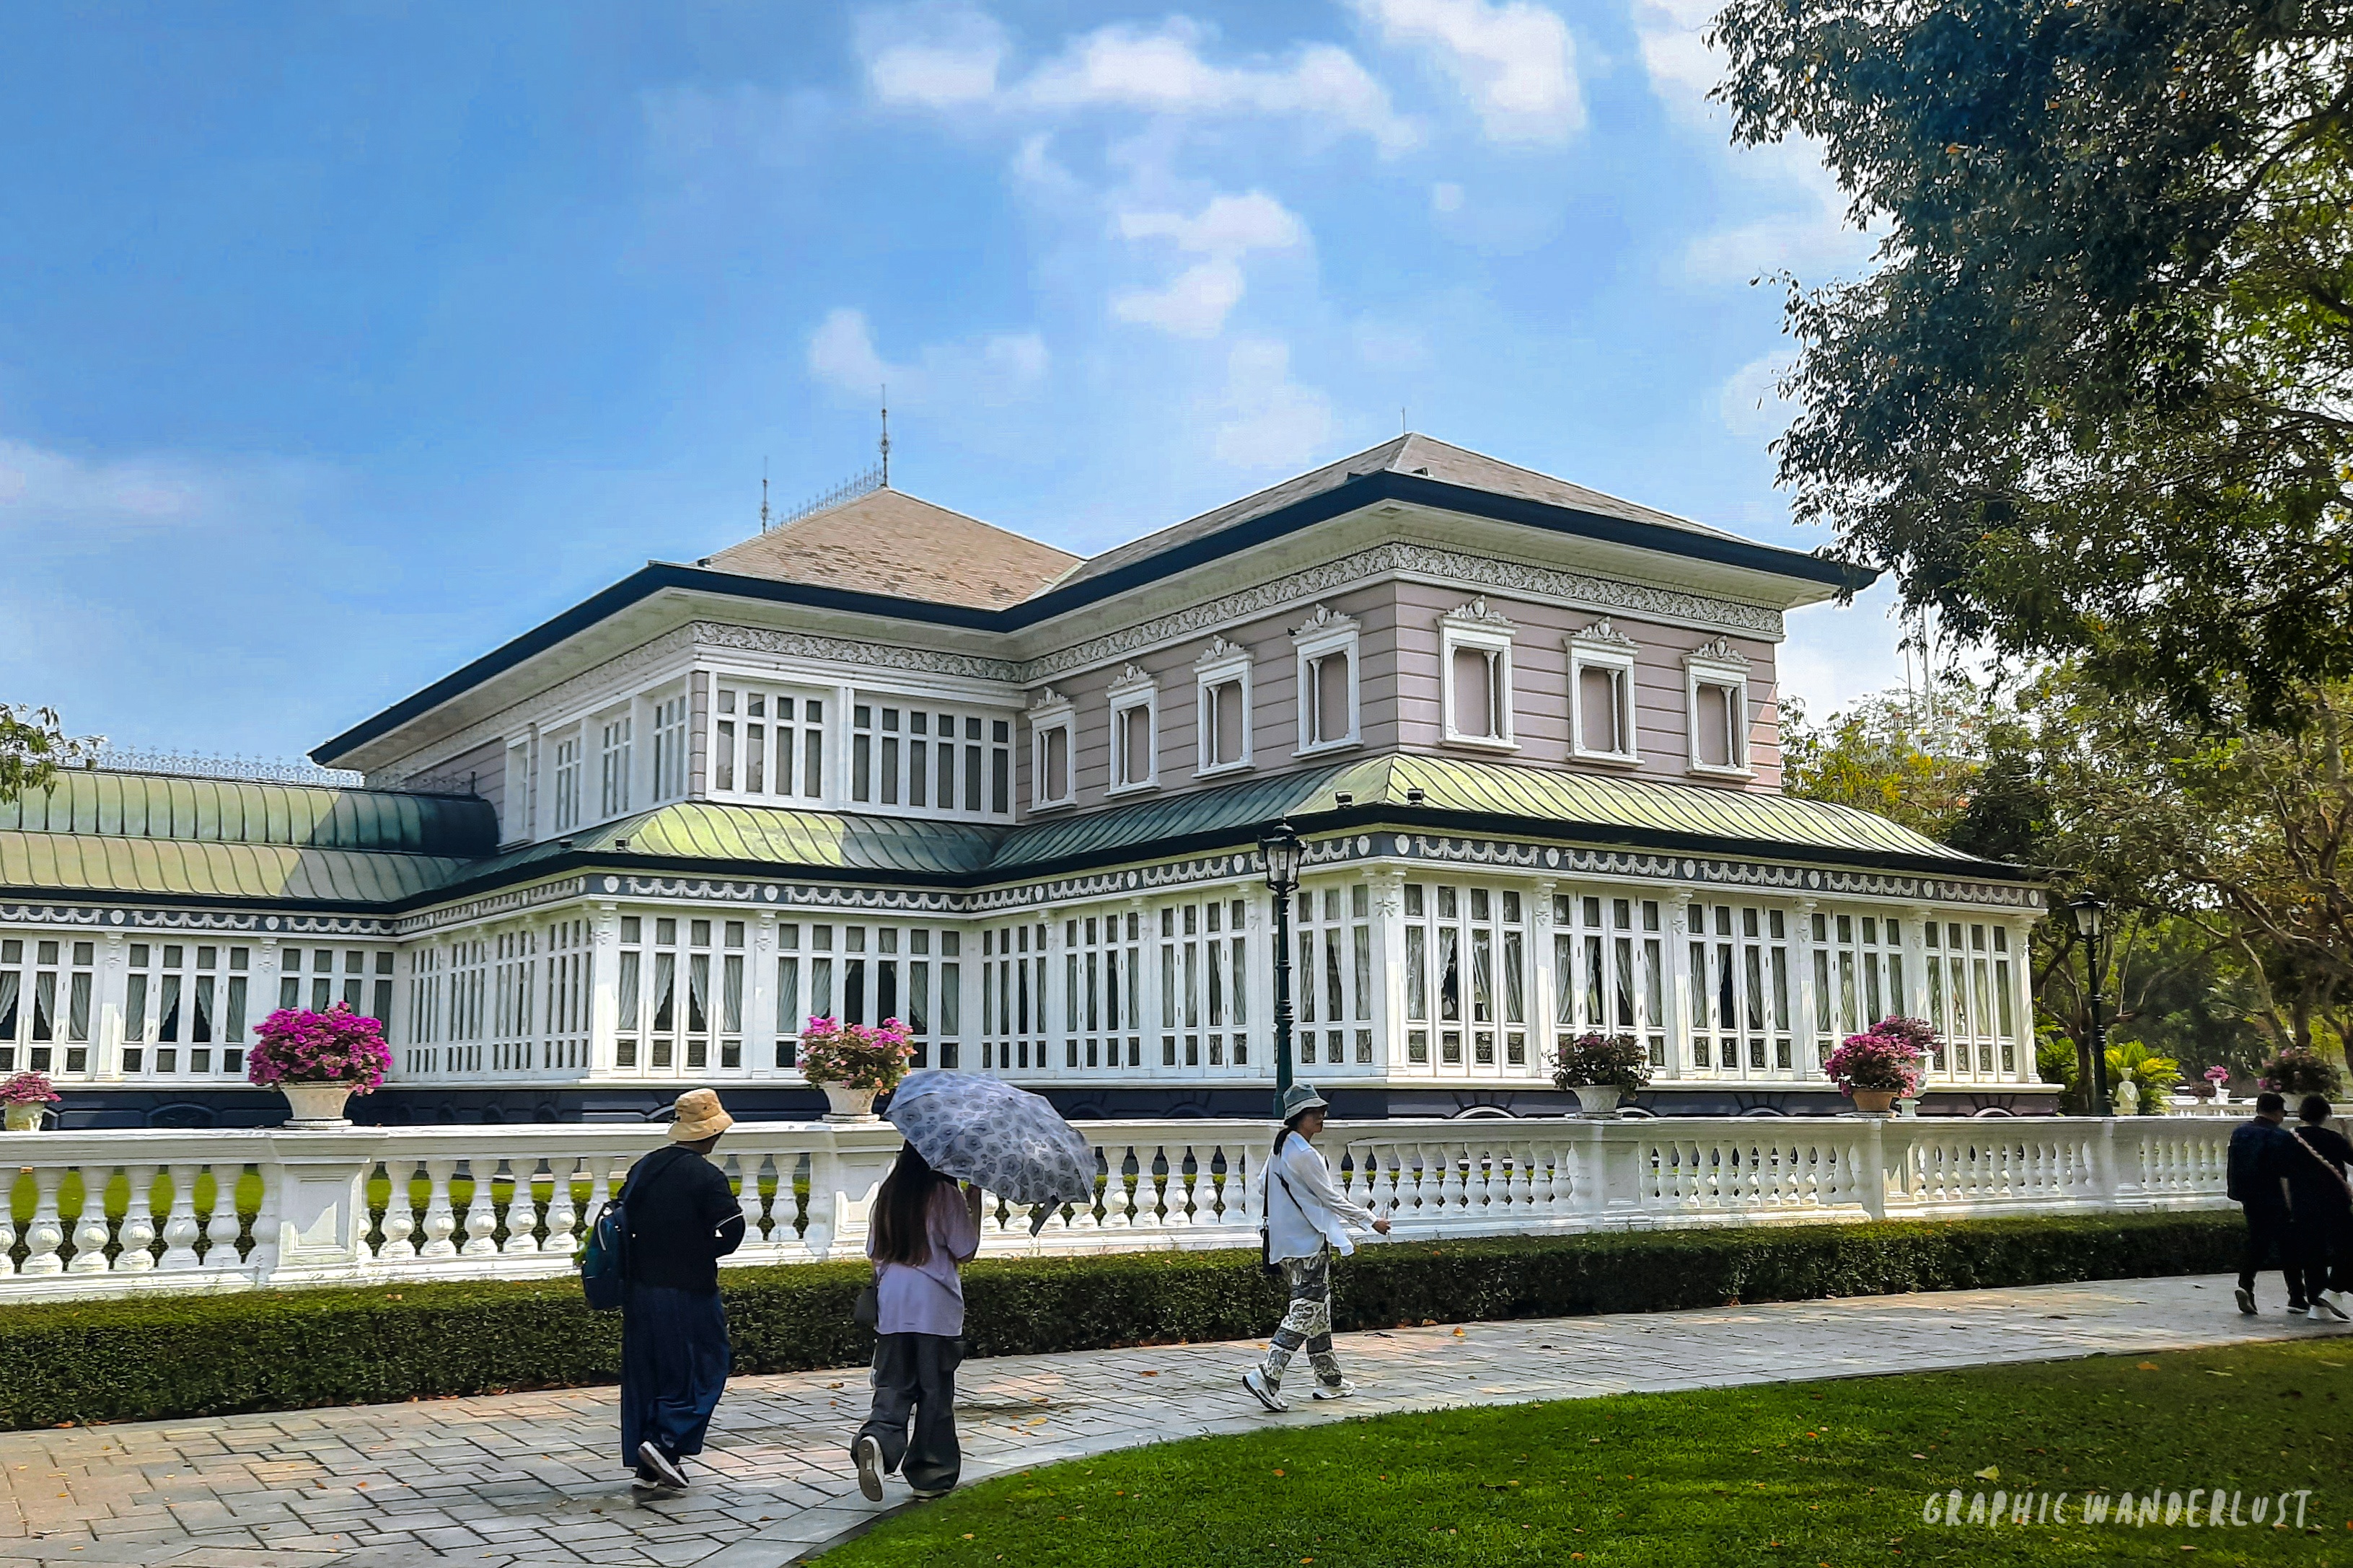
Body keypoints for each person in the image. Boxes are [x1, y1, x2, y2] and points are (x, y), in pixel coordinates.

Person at [620, 1088, 747, 1497]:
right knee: (704, 1367)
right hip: (688, 1287)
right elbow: (733, 1230)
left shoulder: (645, 1167)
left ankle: (651, 1465)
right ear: (711, 1134)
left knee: (651, 1373)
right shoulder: (705, 1175)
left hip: (640, 1287)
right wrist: (701, 1250)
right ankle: (664, 1443)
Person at [1243, 1083, 1391, 1414]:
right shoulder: (1304, 1154)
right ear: (1299, 1117)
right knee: (1306, 1311)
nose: (1322, 1116)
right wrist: (1371, 1221)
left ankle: (1330, 1379)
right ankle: (1268, 1374)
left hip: (1285, 1243)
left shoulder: (1281, 1148)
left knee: (1318, 1311)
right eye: (1315, 1112)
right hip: (1306, 1243)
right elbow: (1331, 1198)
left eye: (1322, 1110)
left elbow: (1261, 1186)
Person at [853, 1145, 984, 1503]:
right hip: (935, 1305)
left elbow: (874, 1253)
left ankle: (878, 1438)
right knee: (934, 1392)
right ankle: (930, 1473)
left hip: (893, 1302)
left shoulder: (889, 1193)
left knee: (893, 1384)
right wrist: (974, 1200)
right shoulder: (943, 1193)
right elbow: (965, 1250)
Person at [2228, 1091, 2305, 1318]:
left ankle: (2246, 1285)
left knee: (2258, 1242)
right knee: (2288, 1247)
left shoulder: (2240, 1133)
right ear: (2279, 1112)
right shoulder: (2281, 1138)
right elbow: (2286, 1176)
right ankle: (2298, 1296)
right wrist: (2292, 1205)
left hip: (2249, 1196)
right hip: (2275, 1198)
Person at [2287, 1094, 2353, 1321]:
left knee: (2312, 1254)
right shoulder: (2333, 1139)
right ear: (2326, 1115)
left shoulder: (2290, 1139)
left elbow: (2284, 1175)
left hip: (2303, 1203)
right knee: (2345, 1248)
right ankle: (2334, 1288)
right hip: (2335, 1202)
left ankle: (2317, 1305)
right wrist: (2347, 1134)